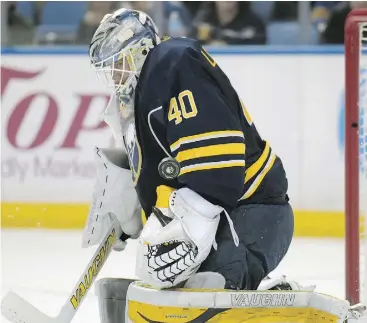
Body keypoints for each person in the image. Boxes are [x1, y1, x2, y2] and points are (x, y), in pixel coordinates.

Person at [83, 7, 298, 321]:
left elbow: (216, 165)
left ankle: (272, 302)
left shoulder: (172, 62)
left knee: (204, 295)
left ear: (142, 49)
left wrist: (194, 220)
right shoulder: (143, 97)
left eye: (120, 62)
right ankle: (266, 292)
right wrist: (133, 200)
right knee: (166, 292)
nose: (116, 75)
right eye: (109, 68)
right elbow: (166, 173)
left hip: (253, 213)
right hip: (228, 216)